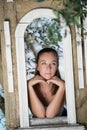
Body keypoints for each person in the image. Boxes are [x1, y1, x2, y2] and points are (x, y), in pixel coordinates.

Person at [27, 48, 66, 118]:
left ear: (57, 67)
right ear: (37, 67)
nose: (48, 68)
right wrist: (29, 86)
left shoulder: (64, 84)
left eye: (53, 64)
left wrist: (62, 87)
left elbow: (50, 115)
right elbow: (40, 115)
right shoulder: (29, 85)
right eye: (44, 63)